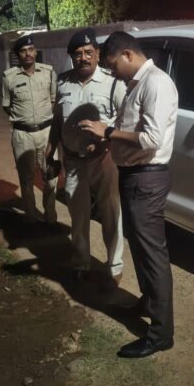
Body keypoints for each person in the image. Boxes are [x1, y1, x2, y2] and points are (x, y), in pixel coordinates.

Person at [78, 31, 178, 358]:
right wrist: (108, 138)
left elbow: (150, 139)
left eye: (113, 66)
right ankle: (148, 303)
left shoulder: (155, 84)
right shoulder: (137, 84)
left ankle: (161, 334)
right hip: (134, 175)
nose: (112, 73)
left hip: (147, 178)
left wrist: (108, 131)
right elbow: (131, 127)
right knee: (139, 246)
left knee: (152, 254)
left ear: (127, 55)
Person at [45, 28, 127, 290]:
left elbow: (126, 120)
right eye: (78, 54)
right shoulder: (62, 83)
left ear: (98, 54)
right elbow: (58, 120)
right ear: (72, 57)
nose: (84, 58)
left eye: (89, 52)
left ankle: (114, 266)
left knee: (111, 213)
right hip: (73, 162)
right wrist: (50, 150)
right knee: (78, 215)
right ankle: (81, 263)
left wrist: (108, 138)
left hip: (104, 160)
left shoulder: (113, 82)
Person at [2, 35, 58, 224]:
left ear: (35, 52)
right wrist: (24, 119)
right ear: (17, 54)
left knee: (51, 175)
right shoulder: (9, 77)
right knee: (26, 178)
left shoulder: (48, 72)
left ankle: (50, 215)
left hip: (47, 132)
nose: (28, 53)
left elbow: (53, 100)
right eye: (23, 51)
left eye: (31, 49)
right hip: (22, 134)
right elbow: (7, 105)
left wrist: (42, 118)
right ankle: (31, 217)